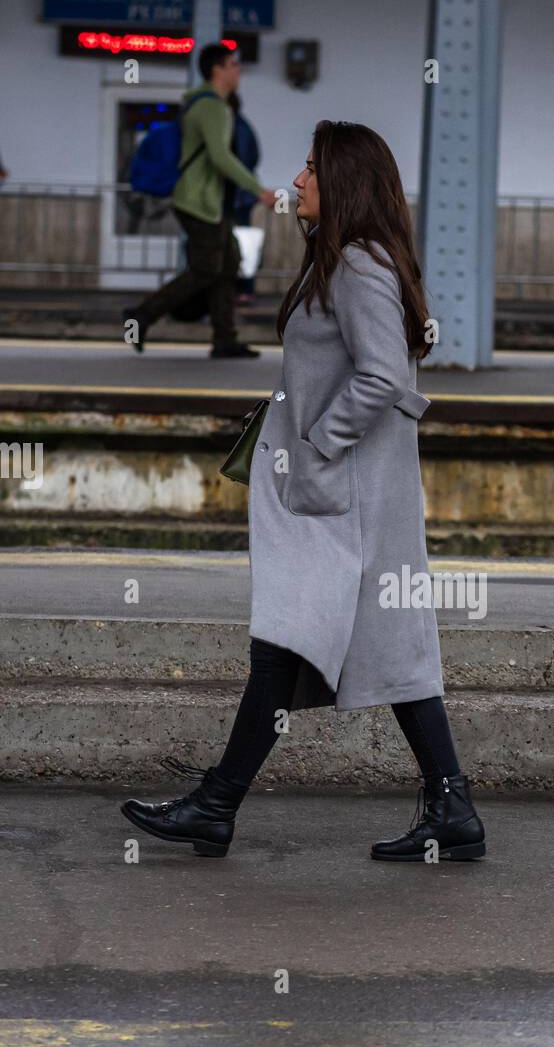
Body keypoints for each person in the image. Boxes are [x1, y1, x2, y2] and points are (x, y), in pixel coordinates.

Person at [121, 120, 486, 864]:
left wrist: (318, 441)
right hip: (350, 497)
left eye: (312, 168)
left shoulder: (357, 266)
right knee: (386, 645)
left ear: (343, 181)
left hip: (336, 497)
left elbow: (383, 376)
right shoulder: (352, 262)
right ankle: (451, 806)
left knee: (285, 643)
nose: (297, 179)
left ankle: (216, 806)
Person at [125, 43, 277, 357]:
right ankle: (141, 314)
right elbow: (220, 157)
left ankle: (225, 339)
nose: (238, 71)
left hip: (211, 202)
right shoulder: (212, 107)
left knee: (227, 266)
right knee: (207, 269)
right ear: (217, 69)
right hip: (199, 201)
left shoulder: (211, 104)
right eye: (233, 64)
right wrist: (258, 189)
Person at [228, 92, 262, 303]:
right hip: (242, 196)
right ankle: (243, 290)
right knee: (244, 244)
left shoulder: (235, 128)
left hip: (237, 197)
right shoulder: (242, 126)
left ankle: (243, 290)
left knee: (240, 245)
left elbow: (237, 163)